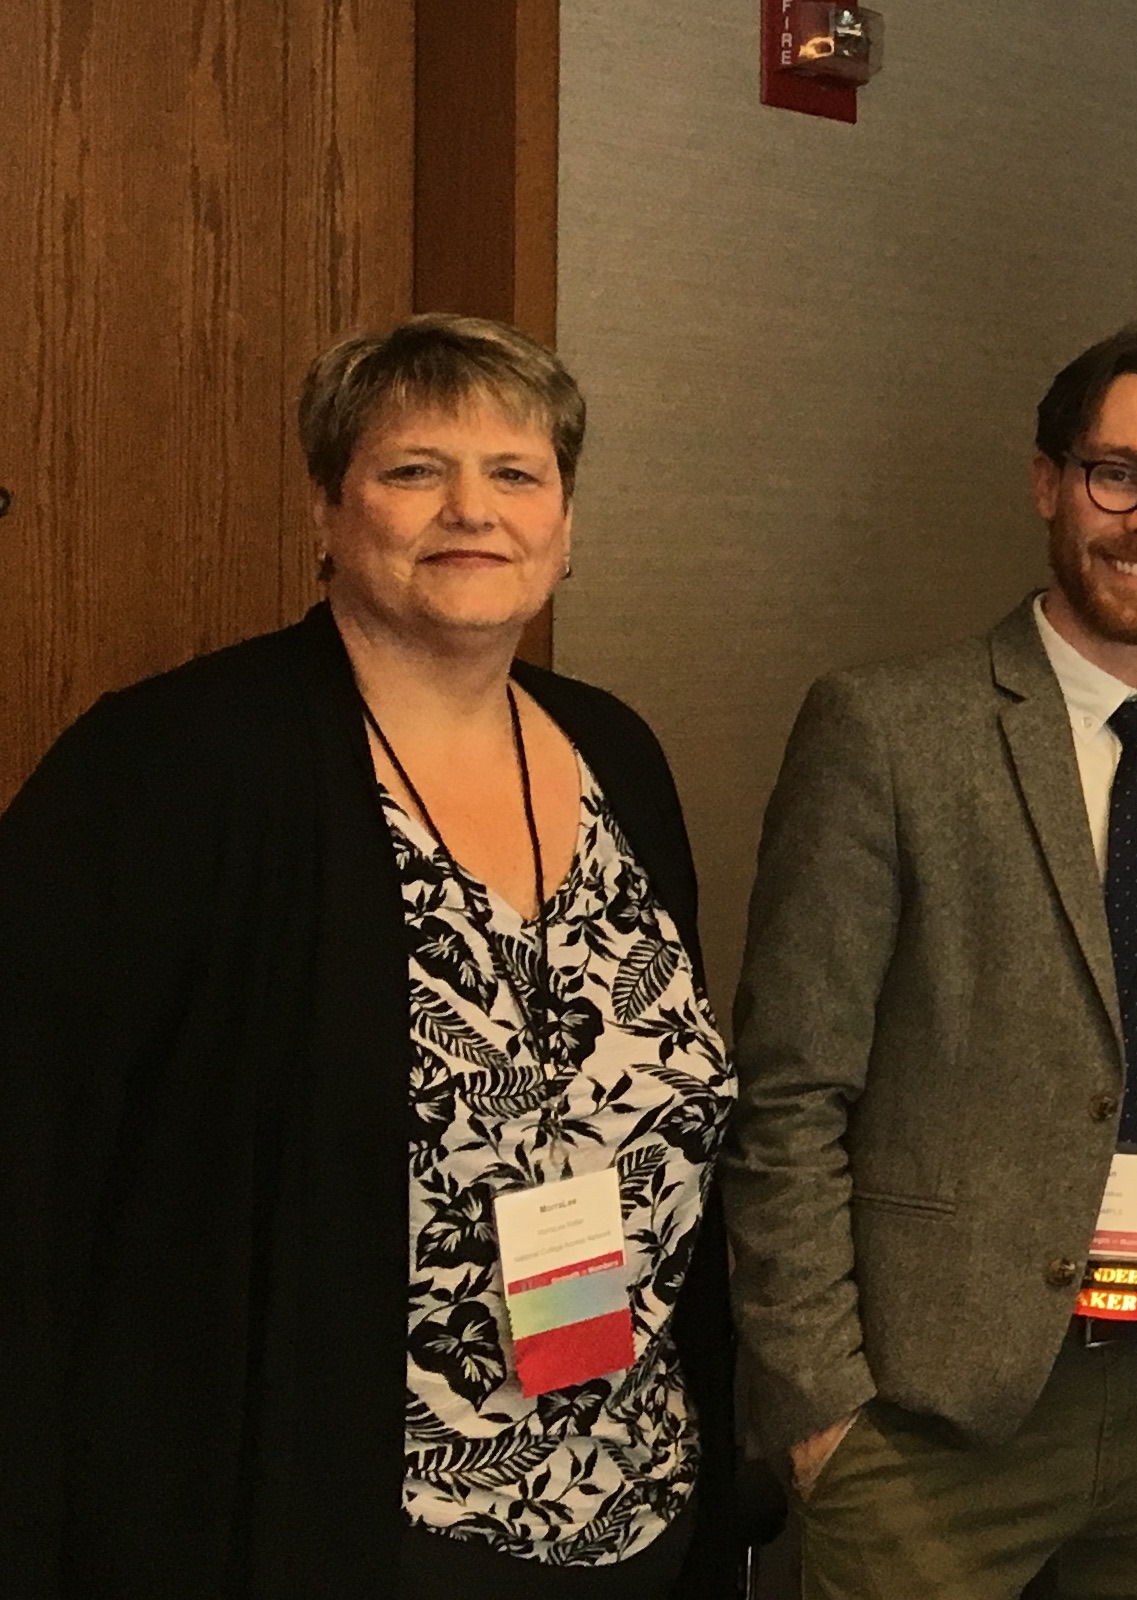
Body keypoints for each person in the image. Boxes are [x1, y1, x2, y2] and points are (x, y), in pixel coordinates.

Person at [0, 313, 747, 1598]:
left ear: (565, 527)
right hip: (327, 1524)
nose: (473, 508)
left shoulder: (614, 751)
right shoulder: (174, 766)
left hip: (631, 1499)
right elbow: (32, 1154)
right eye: (415, 470)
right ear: (325, 514)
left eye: (517, 474)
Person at [724, 325, 1137, 1599]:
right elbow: (786, 1089)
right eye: (1117, 475)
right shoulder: (885, 728)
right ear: (1047, 480)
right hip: (935, 1414)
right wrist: (821, 1411)